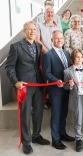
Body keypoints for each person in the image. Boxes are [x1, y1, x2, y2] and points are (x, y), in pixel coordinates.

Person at [5, 21, 50, 154]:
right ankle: (26, 142)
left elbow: (46, 56)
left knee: (38, 112)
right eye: (29, 29)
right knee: (25, 114)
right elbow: (9, 67)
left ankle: (36, 136)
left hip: (38, 84)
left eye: (34, 29)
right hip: (24, 86)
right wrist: (16, 82)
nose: (32, 32)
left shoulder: (37, 45)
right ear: (24, 31)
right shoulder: (16, 47)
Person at [43, 30, 74, 150]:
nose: (59, 40)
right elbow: (46, 73)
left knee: (64, 113)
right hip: (55, 90)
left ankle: (62, 134)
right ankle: (55, 140)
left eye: (61, 38)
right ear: (52, 40)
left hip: (66, 88)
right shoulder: (48, 55)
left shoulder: (66, 53)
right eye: (56, 38)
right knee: (56, 114)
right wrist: (56, 80)